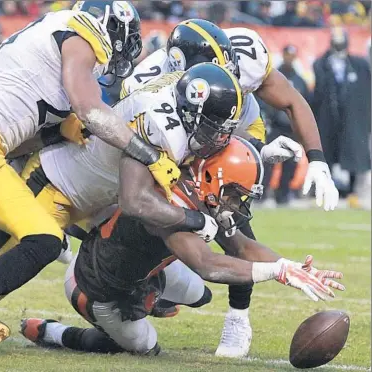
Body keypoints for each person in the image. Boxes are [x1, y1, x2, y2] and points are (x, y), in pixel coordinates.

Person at [0, 63, 240, 343]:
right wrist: (197, 221)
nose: (219, 137)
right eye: (214, 126)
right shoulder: (162, 127)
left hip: (92, 198)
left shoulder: (172, 105)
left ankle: (149, 291)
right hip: (54, 187)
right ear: (191, 108)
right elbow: (135, 202)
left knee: (150, 248)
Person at [0, 0, 180, 343]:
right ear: (107, 26)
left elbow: (17, 135)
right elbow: (90, 108)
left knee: (45, 239)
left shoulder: (56, 51)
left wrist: (54, 131)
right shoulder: (78, 31)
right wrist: (147, 154)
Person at [120, 18, 337, 358]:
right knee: (187, 213)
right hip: (184, 141)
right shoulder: (149, 92)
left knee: (230, 210)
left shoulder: (243, 52)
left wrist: (317, 160)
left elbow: (291, 100)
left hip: (236, 128)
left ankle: (238, 316)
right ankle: (145, 274)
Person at [19, 137, 344, 356]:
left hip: (136, 265)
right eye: (234, 193)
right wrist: (277, 271)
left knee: (198, 296)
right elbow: (207, 264)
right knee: (144, 348)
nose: (236, 203)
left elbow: (242, 247)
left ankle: (152, 292)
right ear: (212, 179)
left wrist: (291, 267)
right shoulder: (170, 204)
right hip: (96, 289)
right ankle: (55, 333)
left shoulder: (200, 188)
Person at [312, 27, 371, 206]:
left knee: (353, 153)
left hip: (352, 118)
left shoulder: (359, 64)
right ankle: (324, 190)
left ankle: (353, 192)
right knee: (326, 153)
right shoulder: (321, 64)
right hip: (328, 116)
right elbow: (318, 92)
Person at [261, 45, 310, 206]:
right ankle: (263, 194)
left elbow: (305, 104)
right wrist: (268, 117)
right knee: (268, 160)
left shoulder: (299, 80)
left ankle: (283, 195)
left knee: (290, 164)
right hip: (275, 126)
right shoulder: (272, 77)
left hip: (292, 128)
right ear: (283, 55)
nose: (289, 58)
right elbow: (264, 98)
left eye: (292, 55)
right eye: (287, 54)